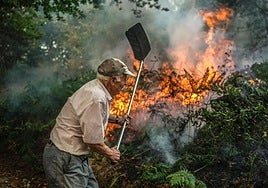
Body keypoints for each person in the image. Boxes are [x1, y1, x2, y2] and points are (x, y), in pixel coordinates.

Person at [43, 57, 135, 188]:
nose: (125, 85)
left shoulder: (96, 87)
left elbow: (91, 115)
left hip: (75, 156)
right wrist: (110, 153)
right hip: (65, 157)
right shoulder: (96, 97)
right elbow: (92, 141)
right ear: (113, 80)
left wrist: (117, 119)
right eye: (124, 81)